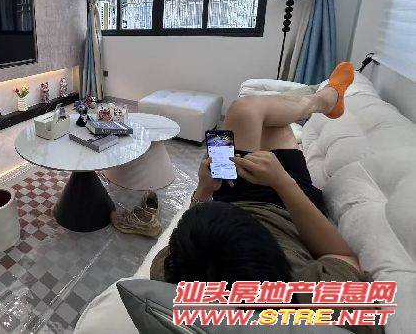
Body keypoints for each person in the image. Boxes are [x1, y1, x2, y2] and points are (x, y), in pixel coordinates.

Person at [150, 62, 383, 334]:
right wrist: (283, 182)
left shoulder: (169, 271)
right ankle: (323, 100)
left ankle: (318, 101)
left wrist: (204, 191)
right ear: (271, 254)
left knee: (249, 113)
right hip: (290, 208)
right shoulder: (324, 299)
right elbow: (343, 255)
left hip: (235, 202)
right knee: (262, 119)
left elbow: (185, 244)